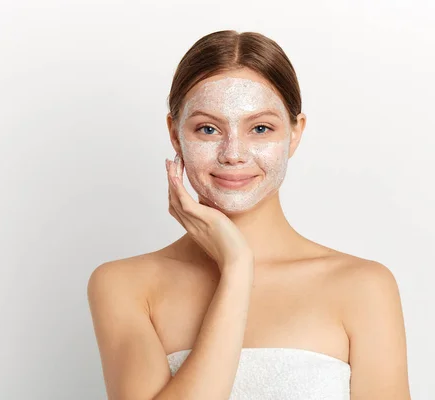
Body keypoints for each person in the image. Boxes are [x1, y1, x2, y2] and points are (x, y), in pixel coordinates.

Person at [87, 30, 411, 400]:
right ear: (175, 135)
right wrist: (237, 268)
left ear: (294, 133)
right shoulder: (125, 286)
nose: (233, 153)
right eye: (208, 129)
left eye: (260, 128)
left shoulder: (363, 286)